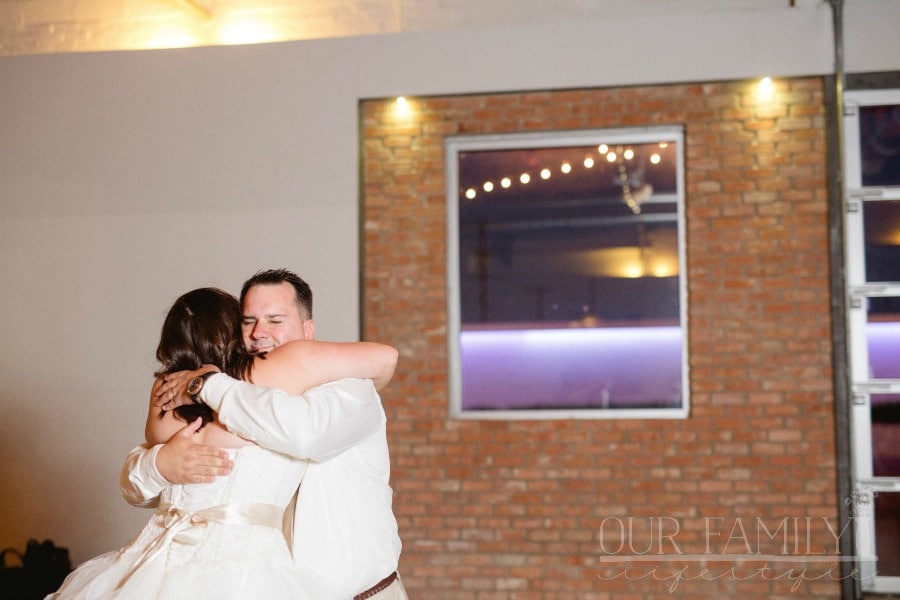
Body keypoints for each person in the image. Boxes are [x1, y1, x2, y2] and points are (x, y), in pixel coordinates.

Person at [49, 287, 398, 599]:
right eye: (250, 322)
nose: (260, 333)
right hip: (202, 564)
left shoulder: (345, 389)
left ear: (308, 331)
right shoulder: (250, 388)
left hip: (357, 589)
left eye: (275, 320)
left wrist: (206, 386)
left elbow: (303, 434)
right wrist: (160, 463)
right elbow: (136, 478)